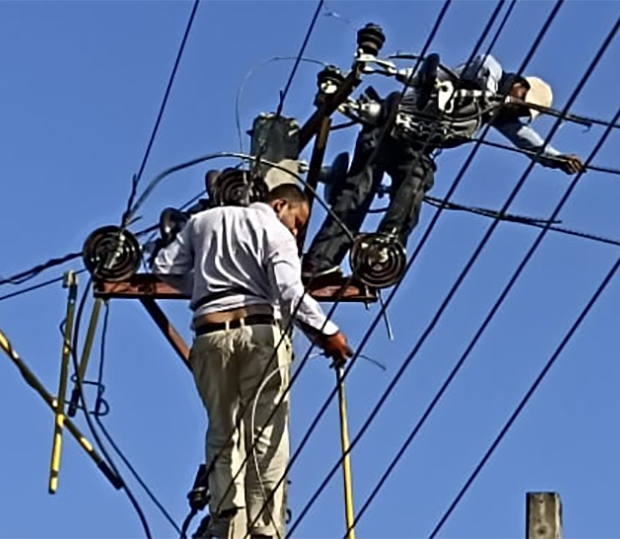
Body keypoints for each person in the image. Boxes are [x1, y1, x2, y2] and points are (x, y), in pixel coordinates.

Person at [151, 182, 353, 539]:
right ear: (279, 205)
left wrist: (204, 286)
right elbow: (290, 292)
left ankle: (229, 522)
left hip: (210, 336)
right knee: (267, 435)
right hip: (259, 333)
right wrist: (328, 333)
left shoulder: (202, 222)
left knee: (222, 432)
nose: (296, 230)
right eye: (297, 221)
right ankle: (264, 528)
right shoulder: (274, 231)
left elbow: (164, 267)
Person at [302, 53, 585, 279]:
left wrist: (556, 159)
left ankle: (384, 250)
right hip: (389, 122)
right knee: (358, 192)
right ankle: (319, 264)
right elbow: (484, 64)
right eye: (522, 104)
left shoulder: (495, 115)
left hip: (413, 147)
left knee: (419, 179)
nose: (518, 111)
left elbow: (526, 140)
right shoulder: (489, 75)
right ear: (519, 85)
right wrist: (488, 94)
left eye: (524, 112)